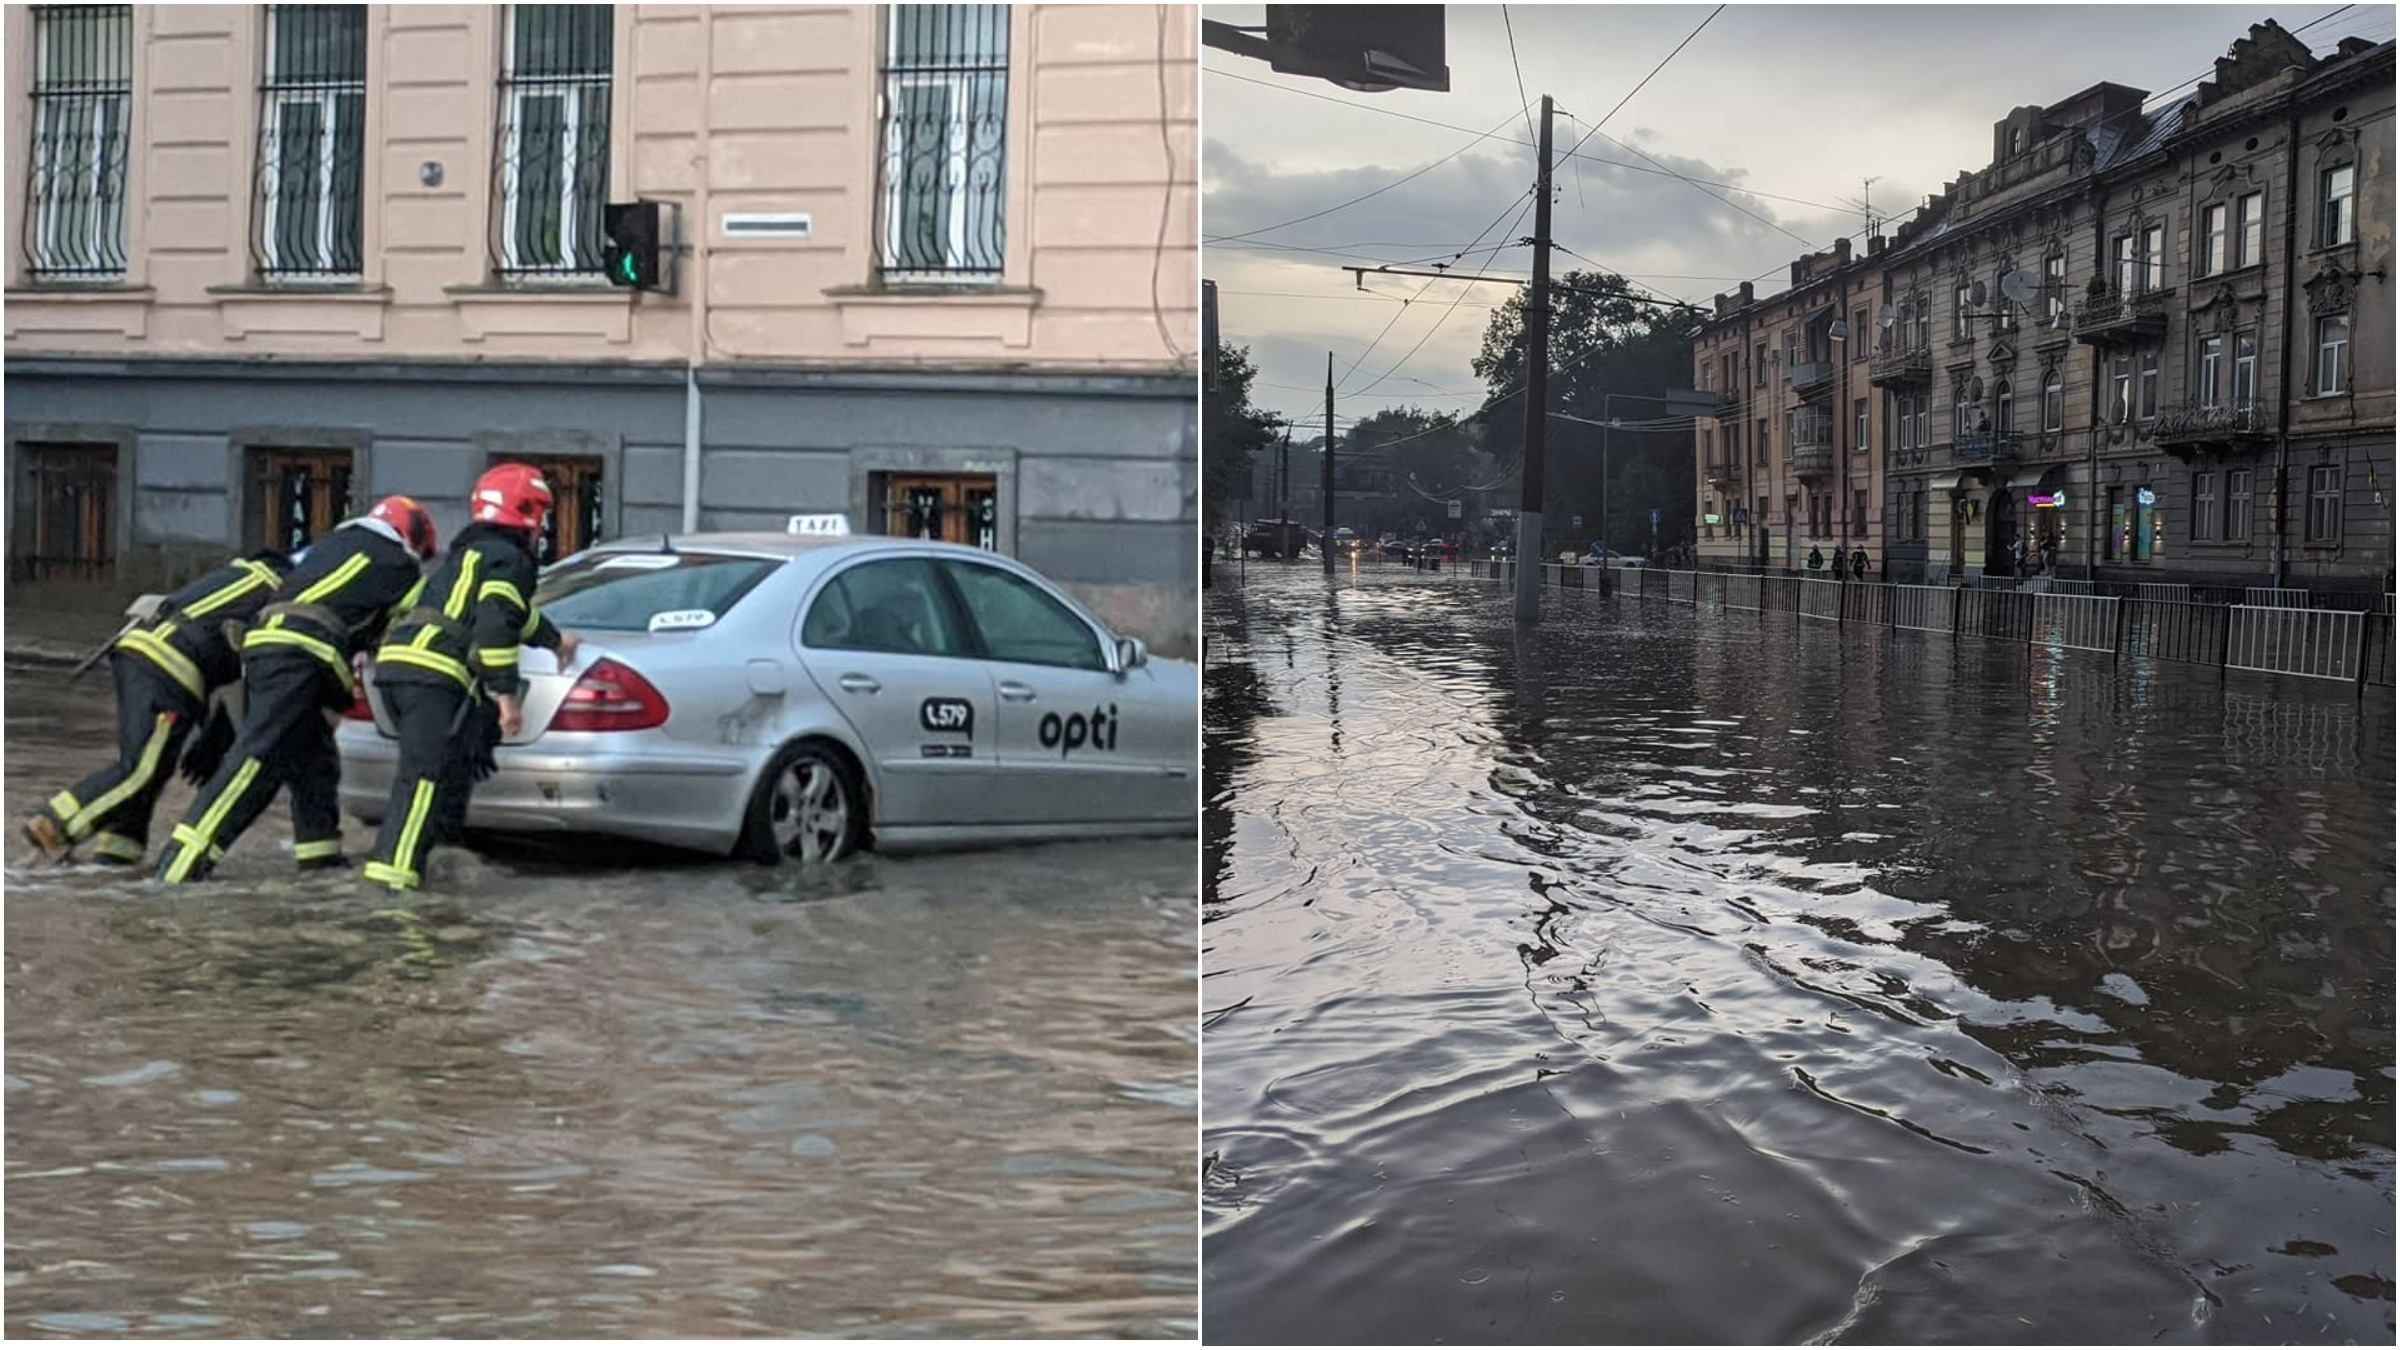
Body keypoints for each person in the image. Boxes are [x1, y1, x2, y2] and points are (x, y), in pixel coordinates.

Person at [155, 496, 437, 885]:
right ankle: (181, 863)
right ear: (414, 537)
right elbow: (403, 628)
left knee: (314, 760)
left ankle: (320, 862)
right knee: (256, 758)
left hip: (263, 644)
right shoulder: (403, 567)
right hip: (304, 653)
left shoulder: (325, 548)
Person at [362, 464, 578, 893]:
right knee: (424, 777)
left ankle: (428, 867)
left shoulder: (467, 554)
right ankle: (391, 888)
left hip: (399, 665)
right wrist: (505, 697)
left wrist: (555, 641)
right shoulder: (510, 558)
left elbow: (509, 612)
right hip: (434, 672)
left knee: (433, 772)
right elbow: (496, 622)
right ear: (529, 513)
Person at [21, 549, 293, 865]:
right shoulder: (284, 596)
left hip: (143, 649)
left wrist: (215, 731)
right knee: (142, 770)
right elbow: (253, 671)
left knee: (153, 763)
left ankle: (116, 856)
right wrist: (221, 735)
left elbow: (227, 655)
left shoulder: (248, 575)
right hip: (169, 666)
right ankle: (55, 824)